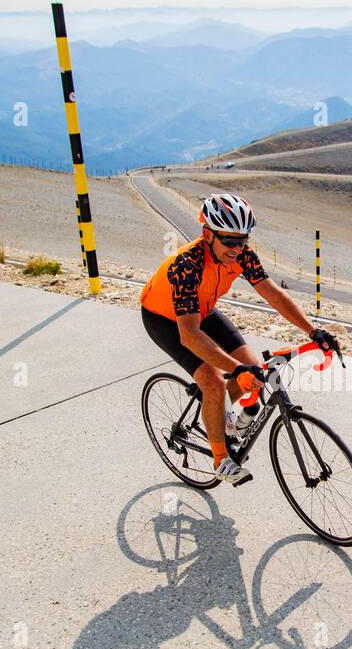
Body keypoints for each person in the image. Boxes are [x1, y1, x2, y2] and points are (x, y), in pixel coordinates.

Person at [140, 193, 338, 485]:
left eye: (242, 241)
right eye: (229, 241)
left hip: (203, 309)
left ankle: (219, 415)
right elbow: (190, 335)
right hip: (165, 319)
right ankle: (220, 459)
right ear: (208, 235)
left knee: (252, 366)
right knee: (214, 380)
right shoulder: (187, 265)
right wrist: (234, 369)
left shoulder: (243, 255)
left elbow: (273, 293)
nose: (237, 249)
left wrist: (313, 331)